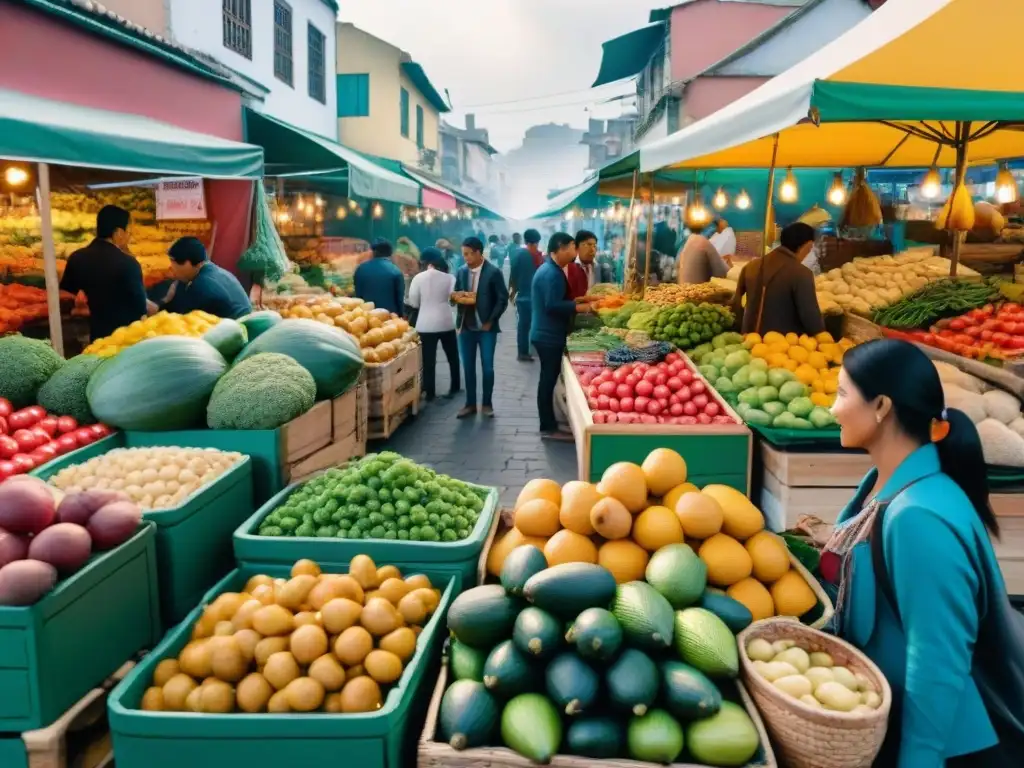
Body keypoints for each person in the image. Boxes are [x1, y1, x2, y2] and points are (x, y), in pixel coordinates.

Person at [825, 338, 1023, 767]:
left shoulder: (920, 517)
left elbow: (937, 660)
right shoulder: (885, 484)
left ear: (880, 406)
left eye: (841, 394)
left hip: (943, 748)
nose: (832, 409)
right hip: (888, 722)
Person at [531, 232, 594, 441]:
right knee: (547, 380)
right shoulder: (552, 273)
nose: (575, 251)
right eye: (572, 247)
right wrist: (582, 307)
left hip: (545, 333)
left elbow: (557, 299)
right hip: (548, 335)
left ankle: (548, 424)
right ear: (561, 248)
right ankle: (548, 427)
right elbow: (553, 305)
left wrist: (581, 299)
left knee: (547, 379)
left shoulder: (550, 269)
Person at [60, 205, 147, 341]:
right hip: (123, 340)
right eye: (128, 231)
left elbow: (64, 296)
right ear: (118, 232)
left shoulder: (77, 258)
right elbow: (140, 307)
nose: (129, 236)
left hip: (91, 337)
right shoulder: (129, 264)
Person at [731, 222, 824, 336]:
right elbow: (811, 320)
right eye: (810, 248)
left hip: (749, 339)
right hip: (781, 346)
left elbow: (736, 305)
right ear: (807, 245)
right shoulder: (801, 273)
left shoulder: (751, 266)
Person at [453, 236, 507, 419]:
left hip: (486, 328)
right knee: (468, 367)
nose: (466, 258)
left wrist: (491, 320)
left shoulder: (493, 272)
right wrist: (456, 298)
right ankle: (470, 404)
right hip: (466, 327)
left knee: (487, 368)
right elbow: (456, 294)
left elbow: (502, 299)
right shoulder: (461, 272)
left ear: (478, 253)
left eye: (468, 254)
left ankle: (486, 403)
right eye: (464, 254)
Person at [152, 237, 251, 319]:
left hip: (238, 331)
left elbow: (180, 319)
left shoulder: (201, 285)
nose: (171, 268)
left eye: (174, 264)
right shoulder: (214, 271)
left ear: (188, 263)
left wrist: (163, 302)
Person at [407, 248, 460, 402]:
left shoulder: (418, 278)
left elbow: (414, 302)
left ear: (426, 263)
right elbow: (453, 300)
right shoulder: (450, 278)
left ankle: (430, 392)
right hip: (446, 321)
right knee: (452, 356)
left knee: (428, 359)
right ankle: (455, 386)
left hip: (425, 323)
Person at [508, 228, 544, 362]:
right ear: (535, 243)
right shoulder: (537, 256)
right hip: (532, 297)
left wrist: (512, 292)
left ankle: (523, 352)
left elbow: (513, 275)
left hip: (523, 296)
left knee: (524, 326)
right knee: (529, 325)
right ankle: (526, 352)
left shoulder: (518, 255)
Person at [353, 238, 405, 316]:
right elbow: (399, 299)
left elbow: (358, 295)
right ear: (390, 253)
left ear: (374, 252)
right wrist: (401, 315)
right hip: (389, 319)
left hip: (366, 317)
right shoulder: (396, 271)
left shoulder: (360, 269)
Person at [566, 230, 604, 298]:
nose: (592, 250)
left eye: (595, 246)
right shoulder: (568, 267)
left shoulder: (600, 268)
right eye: (588, 245)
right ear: (577, 248)